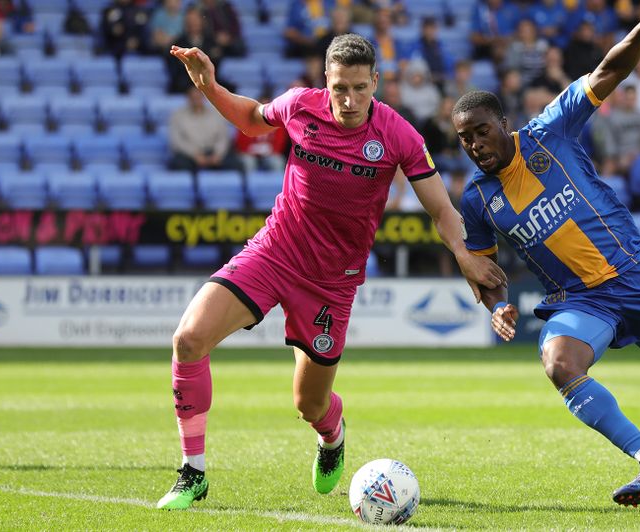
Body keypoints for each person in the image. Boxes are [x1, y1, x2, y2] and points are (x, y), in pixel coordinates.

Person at [157, 34, 507, 510]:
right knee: (188, 339)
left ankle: (332, 436)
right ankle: (192, 472)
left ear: (376, 83)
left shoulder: (399, 135)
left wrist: (465, 256)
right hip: (274, 253)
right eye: (340, 87)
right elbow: (252, 119)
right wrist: (211, 88)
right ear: (327, 81)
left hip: (331, 283)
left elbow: (442, 210)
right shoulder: (301, 105)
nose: (349, 100)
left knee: (309, 405)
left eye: (360, 88)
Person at [451, 0, 640, 507]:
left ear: (503, 122)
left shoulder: (550, 130)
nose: (476, 145)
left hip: (634, 276)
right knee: (559, 362)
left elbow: (609, 70)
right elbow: (484, 267)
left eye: (482, 131)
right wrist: (496, 301)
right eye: (464, 139)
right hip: (580, 300)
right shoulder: (477, 200)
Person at [168, 86, 241, 173]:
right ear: (188, 99)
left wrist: (218, 154)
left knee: (235, 163)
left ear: (204, 98)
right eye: (193, 98)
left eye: (199, 97)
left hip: (213, 152)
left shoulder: (217, 114)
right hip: (190, 155)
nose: (196, 100)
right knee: (179, 164)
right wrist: (195, 155)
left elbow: (223, 137)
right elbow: (177, 142)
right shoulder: (178, 116)